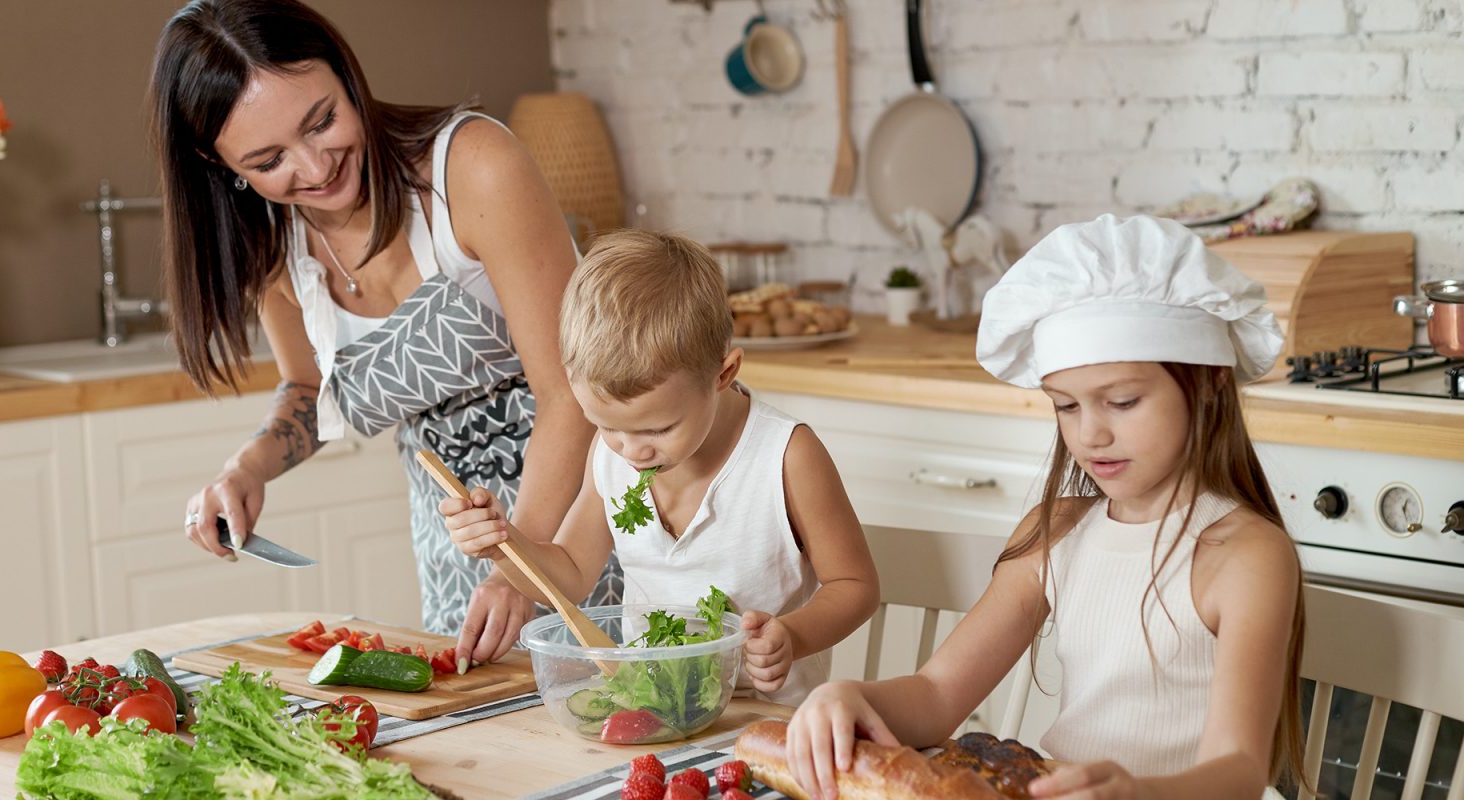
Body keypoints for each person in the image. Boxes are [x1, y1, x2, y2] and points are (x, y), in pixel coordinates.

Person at [150, 0, 621, 664]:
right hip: (456, 550)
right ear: (218, 160)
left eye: (322, 121)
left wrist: (525, 566)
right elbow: (311, 388)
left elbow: (572, 390)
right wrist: (246, 469)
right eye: (268, 160)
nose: (314, 169)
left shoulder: (471, 167)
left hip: (585, 518)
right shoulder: (275, 244)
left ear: (347, 75)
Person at [784, 214, 1307, 800]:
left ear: (1210, 381)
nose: (1091, 436)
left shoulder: (1247, 555)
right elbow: (936, 696)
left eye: (1123, 401)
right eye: (1065, 406)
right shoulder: (1056, 530)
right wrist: (849, 697)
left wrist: (1139, 793)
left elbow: (1238, 772)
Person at [440, 230, 880, 704]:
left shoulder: (786, 456)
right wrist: (503, 544)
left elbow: (855, 586)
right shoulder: (609, 454)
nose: (632, 451)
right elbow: (567, 575)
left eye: (657, 430)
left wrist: (793, 636)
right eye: (606, 425)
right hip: (653, 713)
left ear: (723, 374)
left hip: (769, 725)